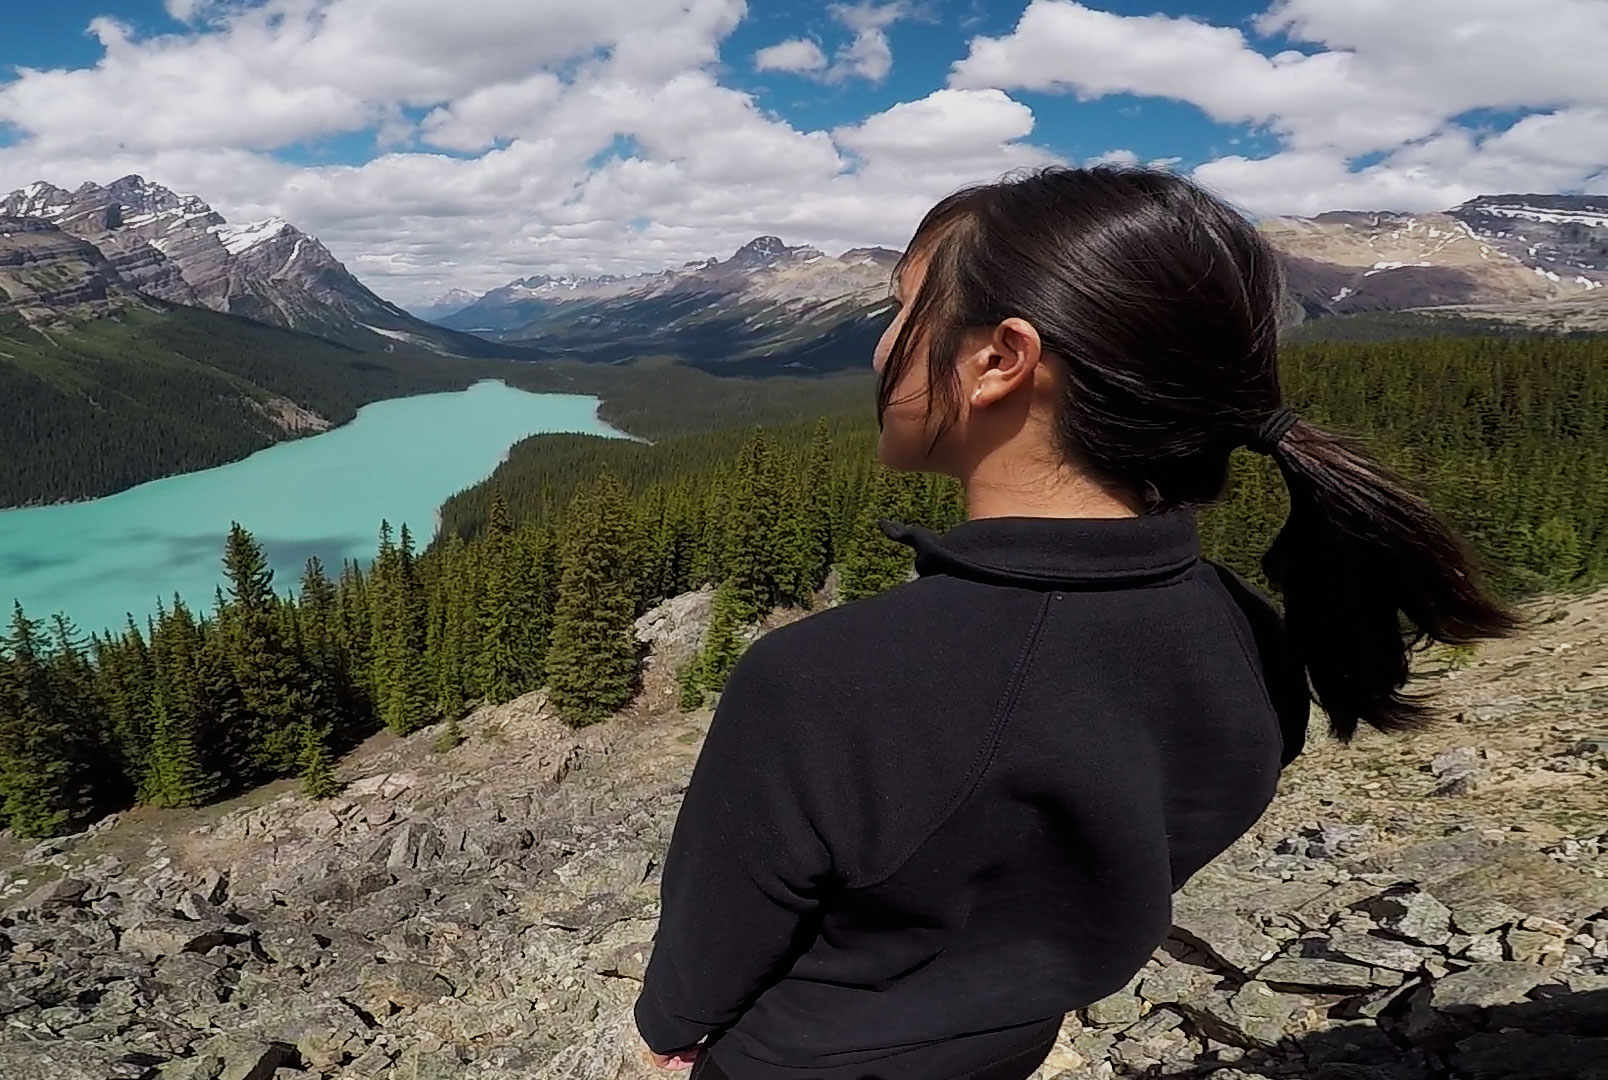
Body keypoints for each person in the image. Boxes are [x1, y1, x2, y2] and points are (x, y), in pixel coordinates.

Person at [632, 166, 1519, 1080]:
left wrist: (673, 1025)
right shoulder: (1250, 634)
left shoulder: (824, 676)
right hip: (1010, 1045)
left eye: (901, 313)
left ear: (999, 361)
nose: (881, 347)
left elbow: (707, 962)